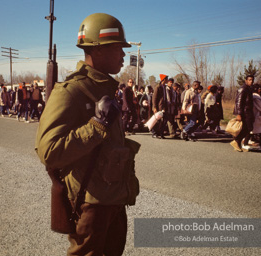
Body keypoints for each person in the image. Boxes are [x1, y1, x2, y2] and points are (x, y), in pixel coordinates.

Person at [35, 13, 140, 256]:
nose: (124, 54)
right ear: (98, 50)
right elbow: (49, 152)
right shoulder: (71, 91)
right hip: (90, 202)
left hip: (113, 197)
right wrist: (96, 124)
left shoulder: (105, 87)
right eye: (118, 48)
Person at [230, 75, 255, 152]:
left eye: (252, 80)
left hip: (248, 111)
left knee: (248, 128)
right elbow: (238, 102)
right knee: (247, 128)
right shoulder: (243, 89)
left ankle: (238, 143)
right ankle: (236, 141)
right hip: (244, 112)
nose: (251, 81)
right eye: (249, 80)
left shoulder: (248, 89)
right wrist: (239, 114)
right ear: (246, 80)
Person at [151, 74, 169, 139]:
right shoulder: (158, 87)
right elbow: (154, 98)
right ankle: (154, 133)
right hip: (159, 106)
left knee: (164, 120)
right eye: (167, 79)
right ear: (163, 79)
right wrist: (154, 107)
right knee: (157, 120)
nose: (167, 80)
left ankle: (161, 133)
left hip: (164, 107)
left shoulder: (164, 87)